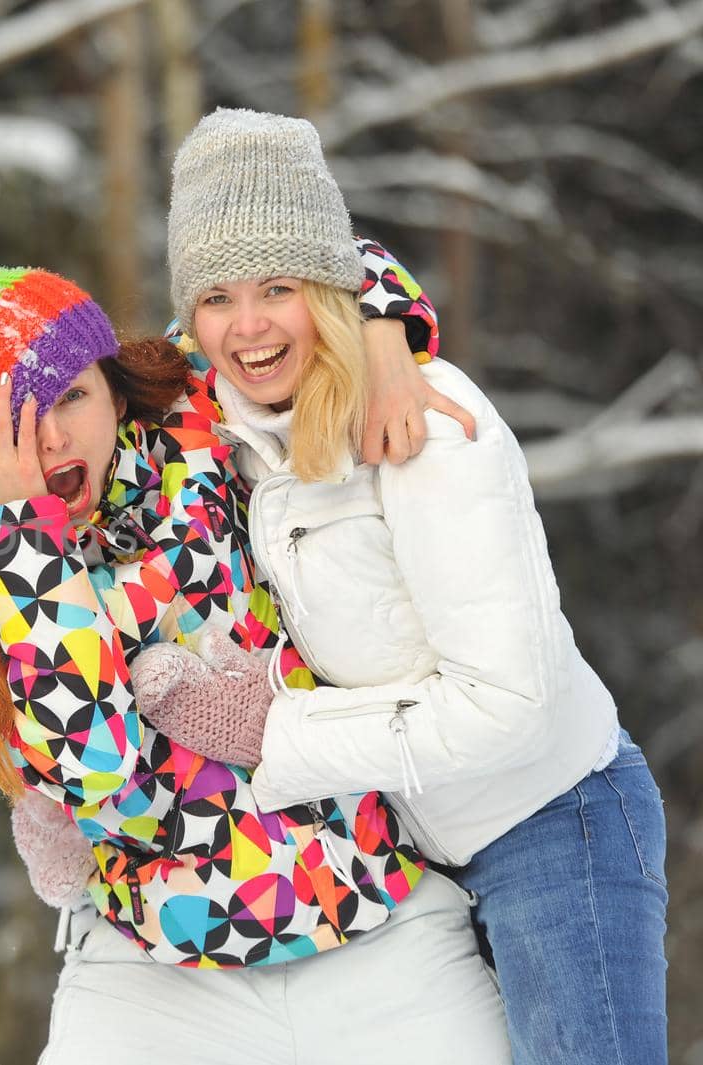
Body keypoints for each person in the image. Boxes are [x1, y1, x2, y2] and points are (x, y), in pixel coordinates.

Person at [0, 251, 511, 1064]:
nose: (53, 435)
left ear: (113, 381)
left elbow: (326, 263)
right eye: (15, 417)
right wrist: (22, 532)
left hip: (375, 910)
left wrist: (383, 342)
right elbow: (95, 761)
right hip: (160, 969)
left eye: (72, 397)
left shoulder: (192, 412)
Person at [148, 107, 669, 1065]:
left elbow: (508, 705)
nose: (248, 325)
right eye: (217, 296)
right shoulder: (217, 428)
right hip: (406, 857)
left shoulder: (424, 424)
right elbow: (76, 393)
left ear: (328, 288)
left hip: (554, 826)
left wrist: (276, 733)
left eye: (279, 286)